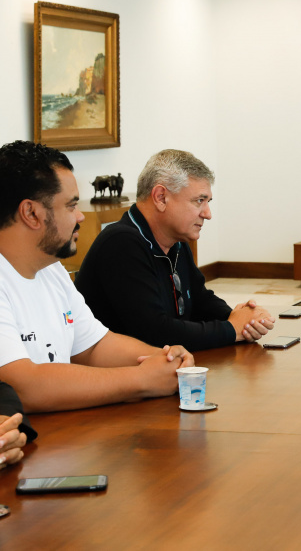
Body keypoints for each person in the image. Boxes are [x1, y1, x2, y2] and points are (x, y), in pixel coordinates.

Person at [0, 140, 192, 413]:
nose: (80, 217)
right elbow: (21, 387)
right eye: (70, 206)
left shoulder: (52, 269)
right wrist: (141, 379)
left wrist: (165, 357)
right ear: (32, 213)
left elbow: (95, 346)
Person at [76, 149, 274, 352]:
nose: (207, 214)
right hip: (118, 376)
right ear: (161, 197)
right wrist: (232, 329)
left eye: (208, 202)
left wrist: (241, 319)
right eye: (199, 201)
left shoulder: (176, 242)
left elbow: (199, 300)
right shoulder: (120, 243)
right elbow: (155, 333)